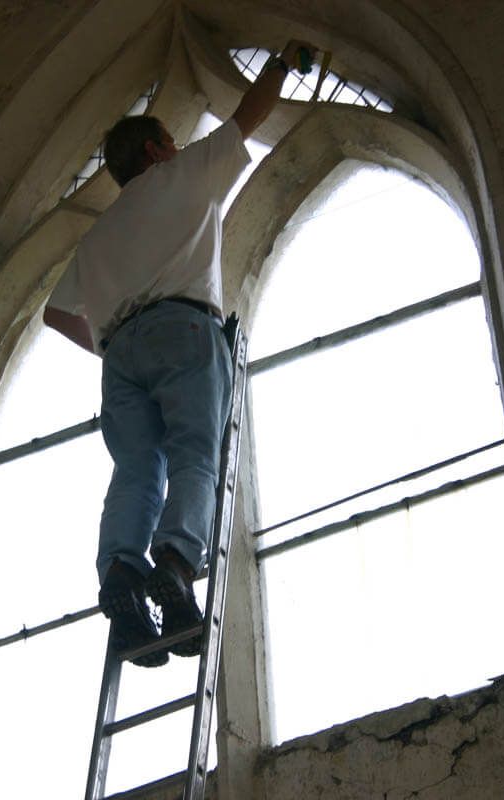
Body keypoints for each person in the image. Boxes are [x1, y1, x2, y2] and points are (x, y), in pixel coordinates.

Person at [44, 40, 314, 666]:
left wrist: (110, 347)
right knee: (196, 451)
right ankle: (175, 558)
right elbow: (247, 115)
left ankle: (121, 573)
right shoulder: (182, 174)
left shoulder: (99, 234)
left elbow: (56, 314)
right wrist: (281, 64)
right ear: (157, 151)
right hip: (184, 330)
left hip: (120, 356)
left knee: (137, 469)